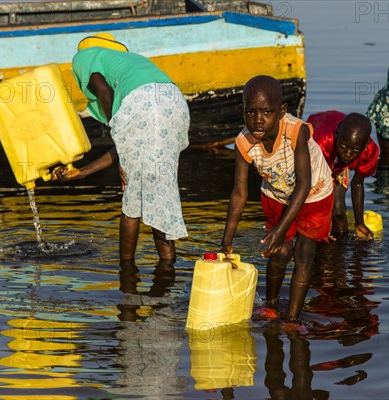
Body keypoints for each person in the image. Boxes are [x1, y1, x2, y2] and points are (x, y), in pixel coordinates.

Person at [52, 33, 190, 262]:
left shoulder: (85, 55)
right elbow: (127, 146)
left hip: (144, 103)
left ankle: (126, 271)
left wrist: (119, 146)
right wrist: (81, 172)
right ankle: (167, 265)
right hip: (175, 103)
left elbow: (104, 93)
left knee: (132, 198)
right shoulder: (129, 63)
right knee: (160, 192)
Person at [220, 75, 334, 322]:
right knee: (279, 252)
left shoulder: (296, 132)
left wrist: (281, 228)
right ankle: (271, 306)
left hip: (314, 193)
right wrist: (226, 240)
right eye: (250, 112)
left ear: (281, 111)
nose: (258, 120)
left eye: (267, 112)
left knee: (304, 253)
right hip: (276, 194)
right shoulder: (243, 143)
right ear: (242, 111)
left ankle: (292, 319)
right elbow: (239, 193)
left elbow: (304, 185)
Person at [307, 111, 379, 240]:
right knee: (321, 209)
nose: (348, 154)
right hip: (320, 154)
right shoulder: (321, 142)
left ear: (365, 145)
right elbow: (310, 181)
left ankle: (340, 246)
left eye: (355, 150)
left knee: (339, 210)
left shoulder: (370, 151)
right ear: (337, 135)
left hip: (337, 155)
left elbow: (357, 183)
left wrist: (359, 223)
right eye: (344, 147)